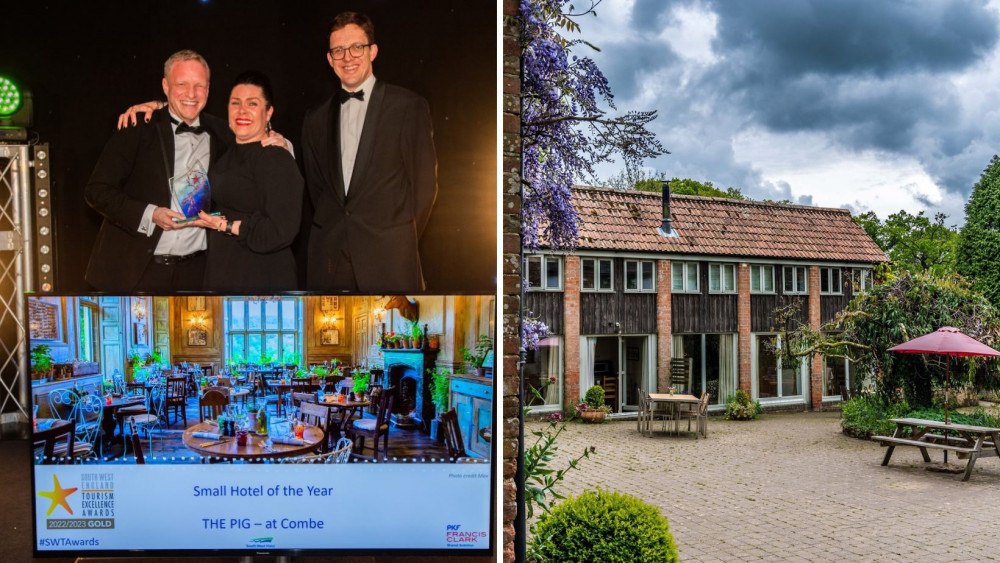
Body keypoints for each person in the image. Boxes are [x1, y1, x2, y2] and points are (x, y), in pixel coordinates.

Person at [87, 50, 289, 292]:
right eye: (181, 84)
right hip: (136, 271)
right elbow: (97, 191)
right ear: (165, 85)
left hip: (198, 272)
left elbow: (258, 140)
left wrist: (284, 144)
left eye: (199, 86)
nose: (191, 94)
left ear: (209, 88)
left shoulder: (223, 132)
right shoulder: (138, 127)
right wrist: (150, 214)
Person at [301, 12, 438, 292]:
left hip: (390, 260)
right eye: (338, 50)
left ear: (372, 51)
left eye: (356, 47)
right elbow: (319, 191)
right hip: (330, 262)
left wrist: (398, 237)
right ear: (329, 59)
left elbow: (424, 188)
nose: (347, 57)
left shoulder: (407, 107)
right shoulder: (314, 119)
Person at [195, 71, 303, 291]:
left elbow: (280, 231)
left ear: (268, 112)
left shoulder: (276, 157)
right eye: (235, 103)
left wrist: (225, 226)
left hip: (261, 277)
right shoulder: (227, 151)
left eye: (252, 104)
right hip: (221, 272)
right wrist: (158, 105)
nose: (242, 110)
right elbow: (192, 113)